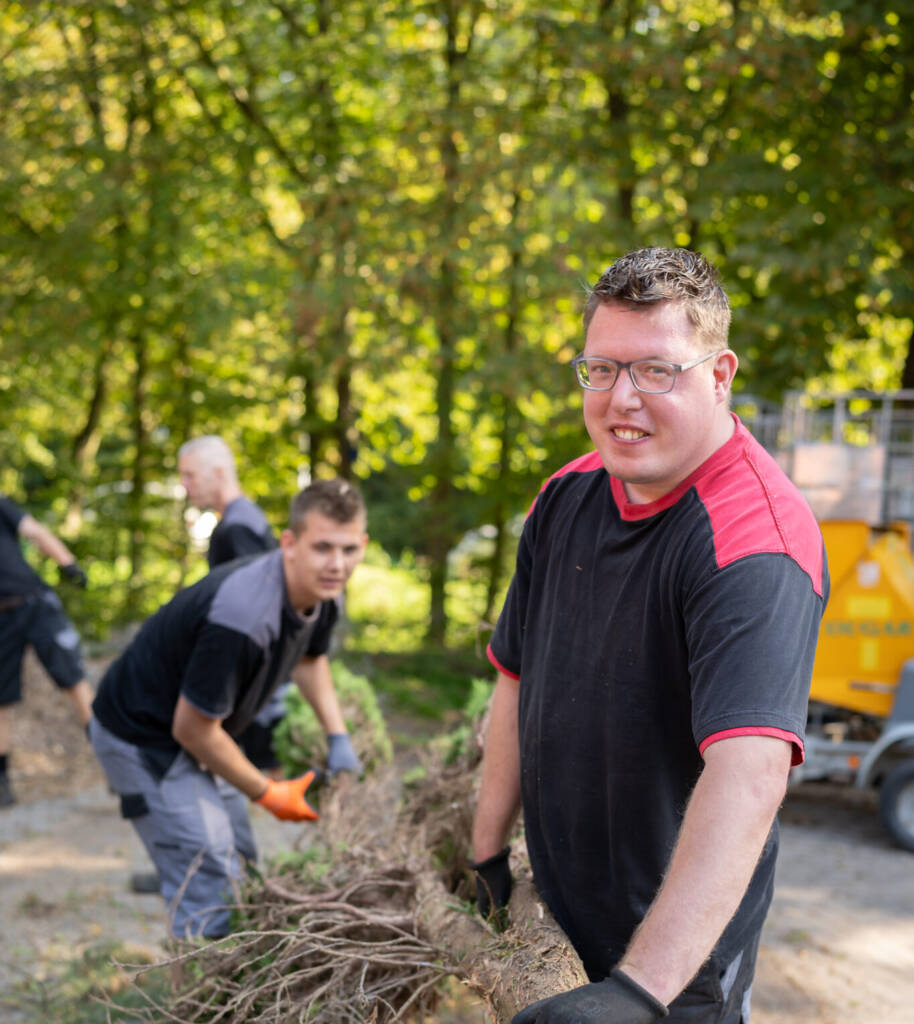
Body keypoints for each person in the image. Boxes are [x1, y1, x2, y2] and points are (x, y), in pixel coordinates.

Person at [470, 247, 828, 1024]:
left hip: (677, 971)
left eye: (656, 370)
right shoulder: (565, 497)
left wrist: (637, 993)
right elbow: (514, 679)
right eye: (601, 369)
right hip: (554, 916)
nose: (621, 398)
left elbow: (749, 775)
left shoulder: (754, 542)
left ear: (720, 374)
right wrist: (487, 854)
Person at [89, 478, 368, 939]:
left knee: (239, 854)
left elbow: (311, 659)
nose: (337, 565)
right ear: (290, 543)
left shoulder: (324, 593)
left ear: (363, 545)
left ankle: (228, 977)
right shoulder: (243, 617)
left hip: (193, 727)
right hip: (140, 735)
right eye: (322, 548)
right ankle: (199, 1005)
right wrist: (268, 792)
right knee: (208, 870)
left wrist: (338, 737)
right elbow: (193, 731)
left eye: (348, 549)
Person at [0, 494, 93, 808]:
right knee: (0, 700)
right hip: (1, 620)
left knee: (74, 681)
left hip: (35, 603)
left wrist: (67, 563)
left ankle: (117, 764)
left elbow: (35, 532)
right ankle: (2, 783)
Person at [177, 435, 277, 569]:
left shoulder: (238, 526)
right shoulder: (243, 516)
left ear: (219, 473)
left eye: (190, 475)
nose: (183, 484)